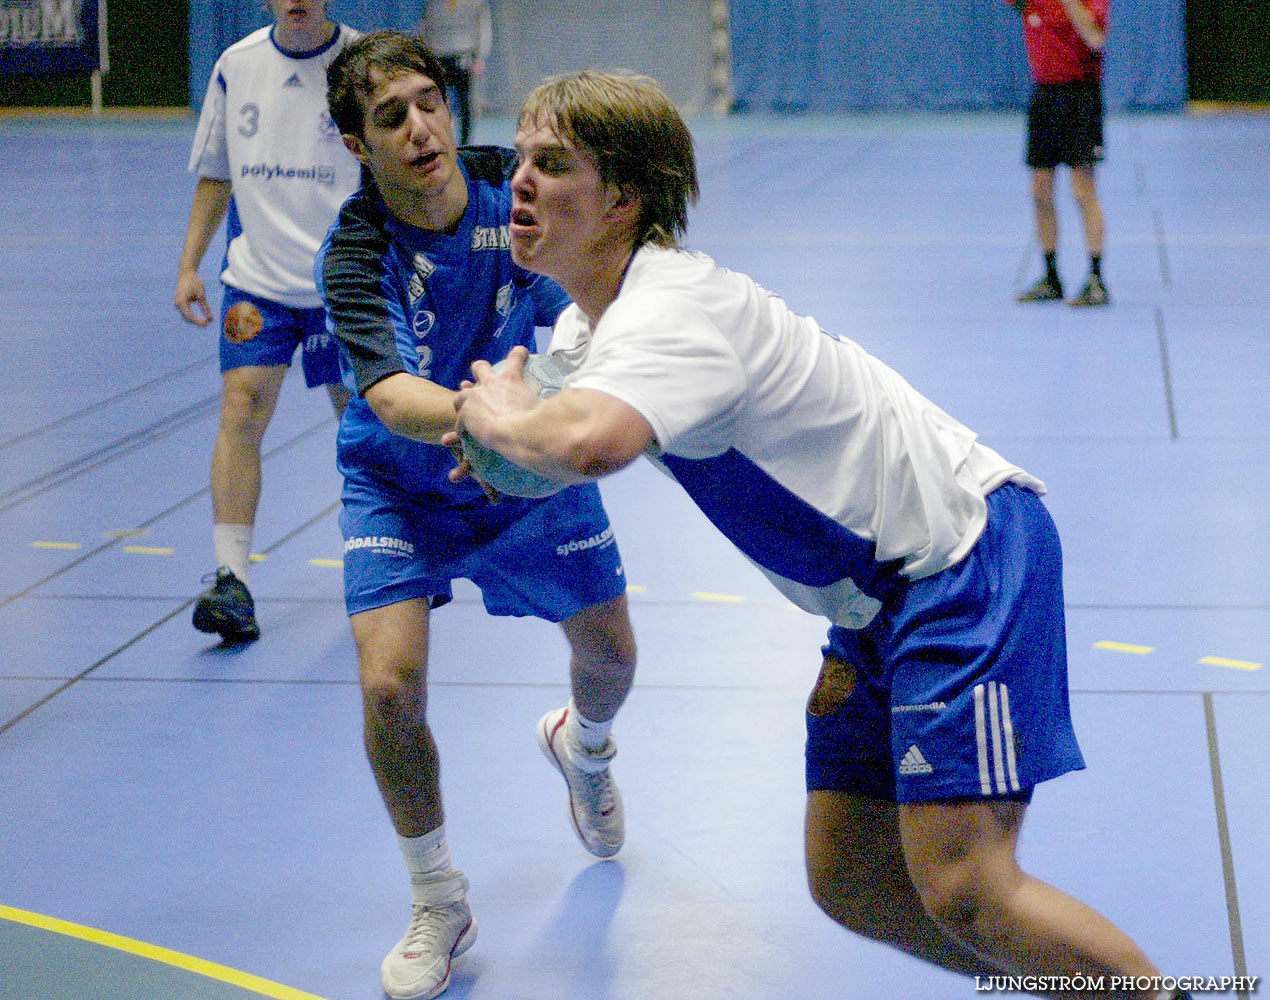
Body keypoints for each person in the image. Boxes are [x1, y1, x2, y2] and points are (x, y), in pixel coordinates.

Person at [449, 70, 1191, 1000]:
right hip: (876, 604)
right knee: (848, 877)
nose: (517, 180)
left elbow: (590, 442)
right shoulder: (584, 330)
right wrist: (495, 436)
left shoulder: (671, 309)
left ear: (624, 199)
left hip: (961, 562)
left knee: (965, 884)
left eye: (551, 164)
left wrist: (499, 418)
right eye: (517, 158)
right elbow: (547, 433)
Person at [318, 33, 638, 1000]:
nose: (419, 129)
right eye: (389, 118)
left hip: (524, 474)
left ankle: (581, 748)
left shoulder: (518, 184)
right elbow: (385, 394)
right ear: (356, 143)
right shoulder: (355, 252)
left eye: (428, 103)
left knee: (614, 662)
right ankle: (438, 898)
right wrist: (486, 419)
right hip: (405, 479)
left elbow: (604, 276)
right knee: (388, 687)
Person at [176, 0, 361, 642]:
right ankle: (232, 580)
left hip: (345, 282)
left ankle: (389, 557)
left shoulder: (366, 66)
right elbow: (215, 173)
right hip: (257, 283)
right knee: (241, 410)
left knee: (364, 420)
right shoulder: (236, 65)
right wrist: (190, 265)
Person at [1012, 0, 1112, 307]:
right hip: (1044, 96)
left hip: (1080, 95)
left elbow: (1095, 39)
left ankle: (1096, 280)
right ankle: (1051, 278)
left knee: (1083, 191)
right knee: (1040, 191)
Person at [419, 0, 492, 145]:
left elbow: (484, 29)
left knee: (465, 103)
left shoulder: (475, 4)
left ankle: (465, 142)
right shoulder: (433, 4)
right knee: (436, 100)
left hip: (463, 56)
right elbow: (426, 28)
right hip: (438, 56)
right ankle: (438, 136)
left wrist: (479, 57)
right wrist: (425, 56)